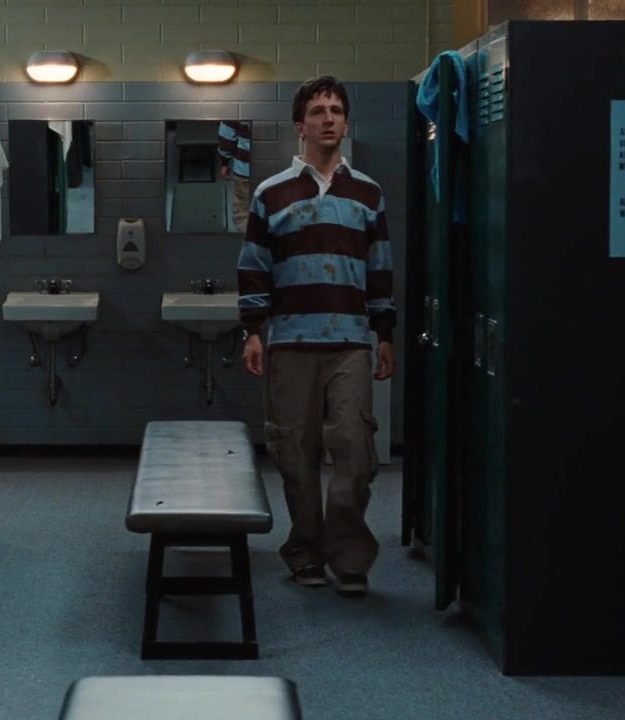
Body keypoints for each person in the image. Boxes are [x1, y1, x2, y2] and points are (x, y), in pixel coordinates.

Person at [236, 76, 396, 597]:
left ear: (346, 124)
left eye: (336, 111)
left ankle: (348, 558)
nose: (328, 118)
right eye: (318, 111)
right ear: (299, 125)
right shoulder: (271, 192)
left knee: (355, 454)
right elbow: (254, 267)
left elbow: (380, 269)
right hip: (291, 342)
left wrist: (385, 333)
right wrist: (253, 331)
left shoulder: (368, 193)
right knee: (295, 454)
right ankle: (305, 551)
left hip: (350, 342)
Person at [217, 120, 252, 233]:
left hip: (244, 171)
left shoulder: (237, 111)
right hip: (277, 171)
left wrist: (225, 162)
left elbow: (226, 138)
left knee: (243, 214)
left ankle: (248, 240)